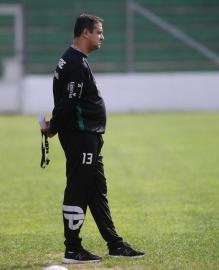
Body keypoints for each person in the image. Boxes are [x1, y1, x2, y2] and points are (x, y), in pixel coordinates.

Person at [41, 14, 145, 264]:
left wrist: (55, 125)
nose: (102, 37)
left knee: (97, 190)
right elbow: (68, 102)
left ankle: (115, 244)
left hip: (88, 136)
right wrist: (53, 127)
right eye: (99, 32)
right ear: (85, 32)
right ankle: (72, 249)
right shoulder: (75, 62)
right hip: (81, 137)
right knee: (77, 188)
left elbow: (67, 100)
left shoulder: (74, 60)